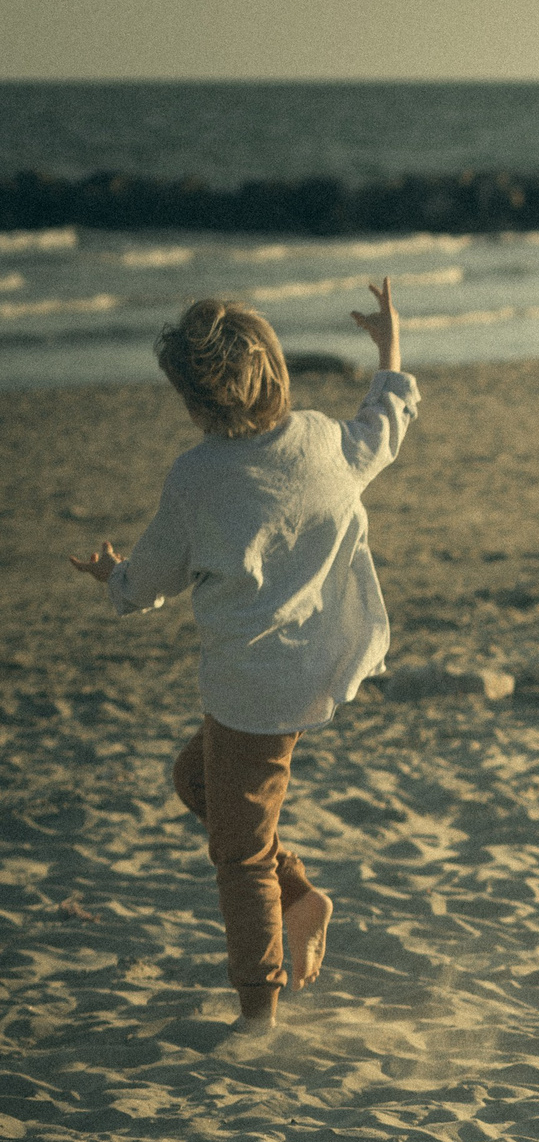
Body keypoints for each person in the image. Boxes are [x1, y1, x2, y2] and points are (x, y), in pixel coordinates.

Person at [69, 284, 416, 1033]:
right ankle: (301, 894)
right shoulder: (323, 439)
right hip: (305, 674)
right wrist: (388, 345)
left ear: (197, 403)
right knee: (195, 778)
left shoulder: (196, 479)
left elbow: (152, 577)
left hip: (250, 696)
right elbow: (385, 426)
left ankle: (259, 1010)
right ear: (278, 371)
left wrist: (114, 577)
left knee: (239, 858)